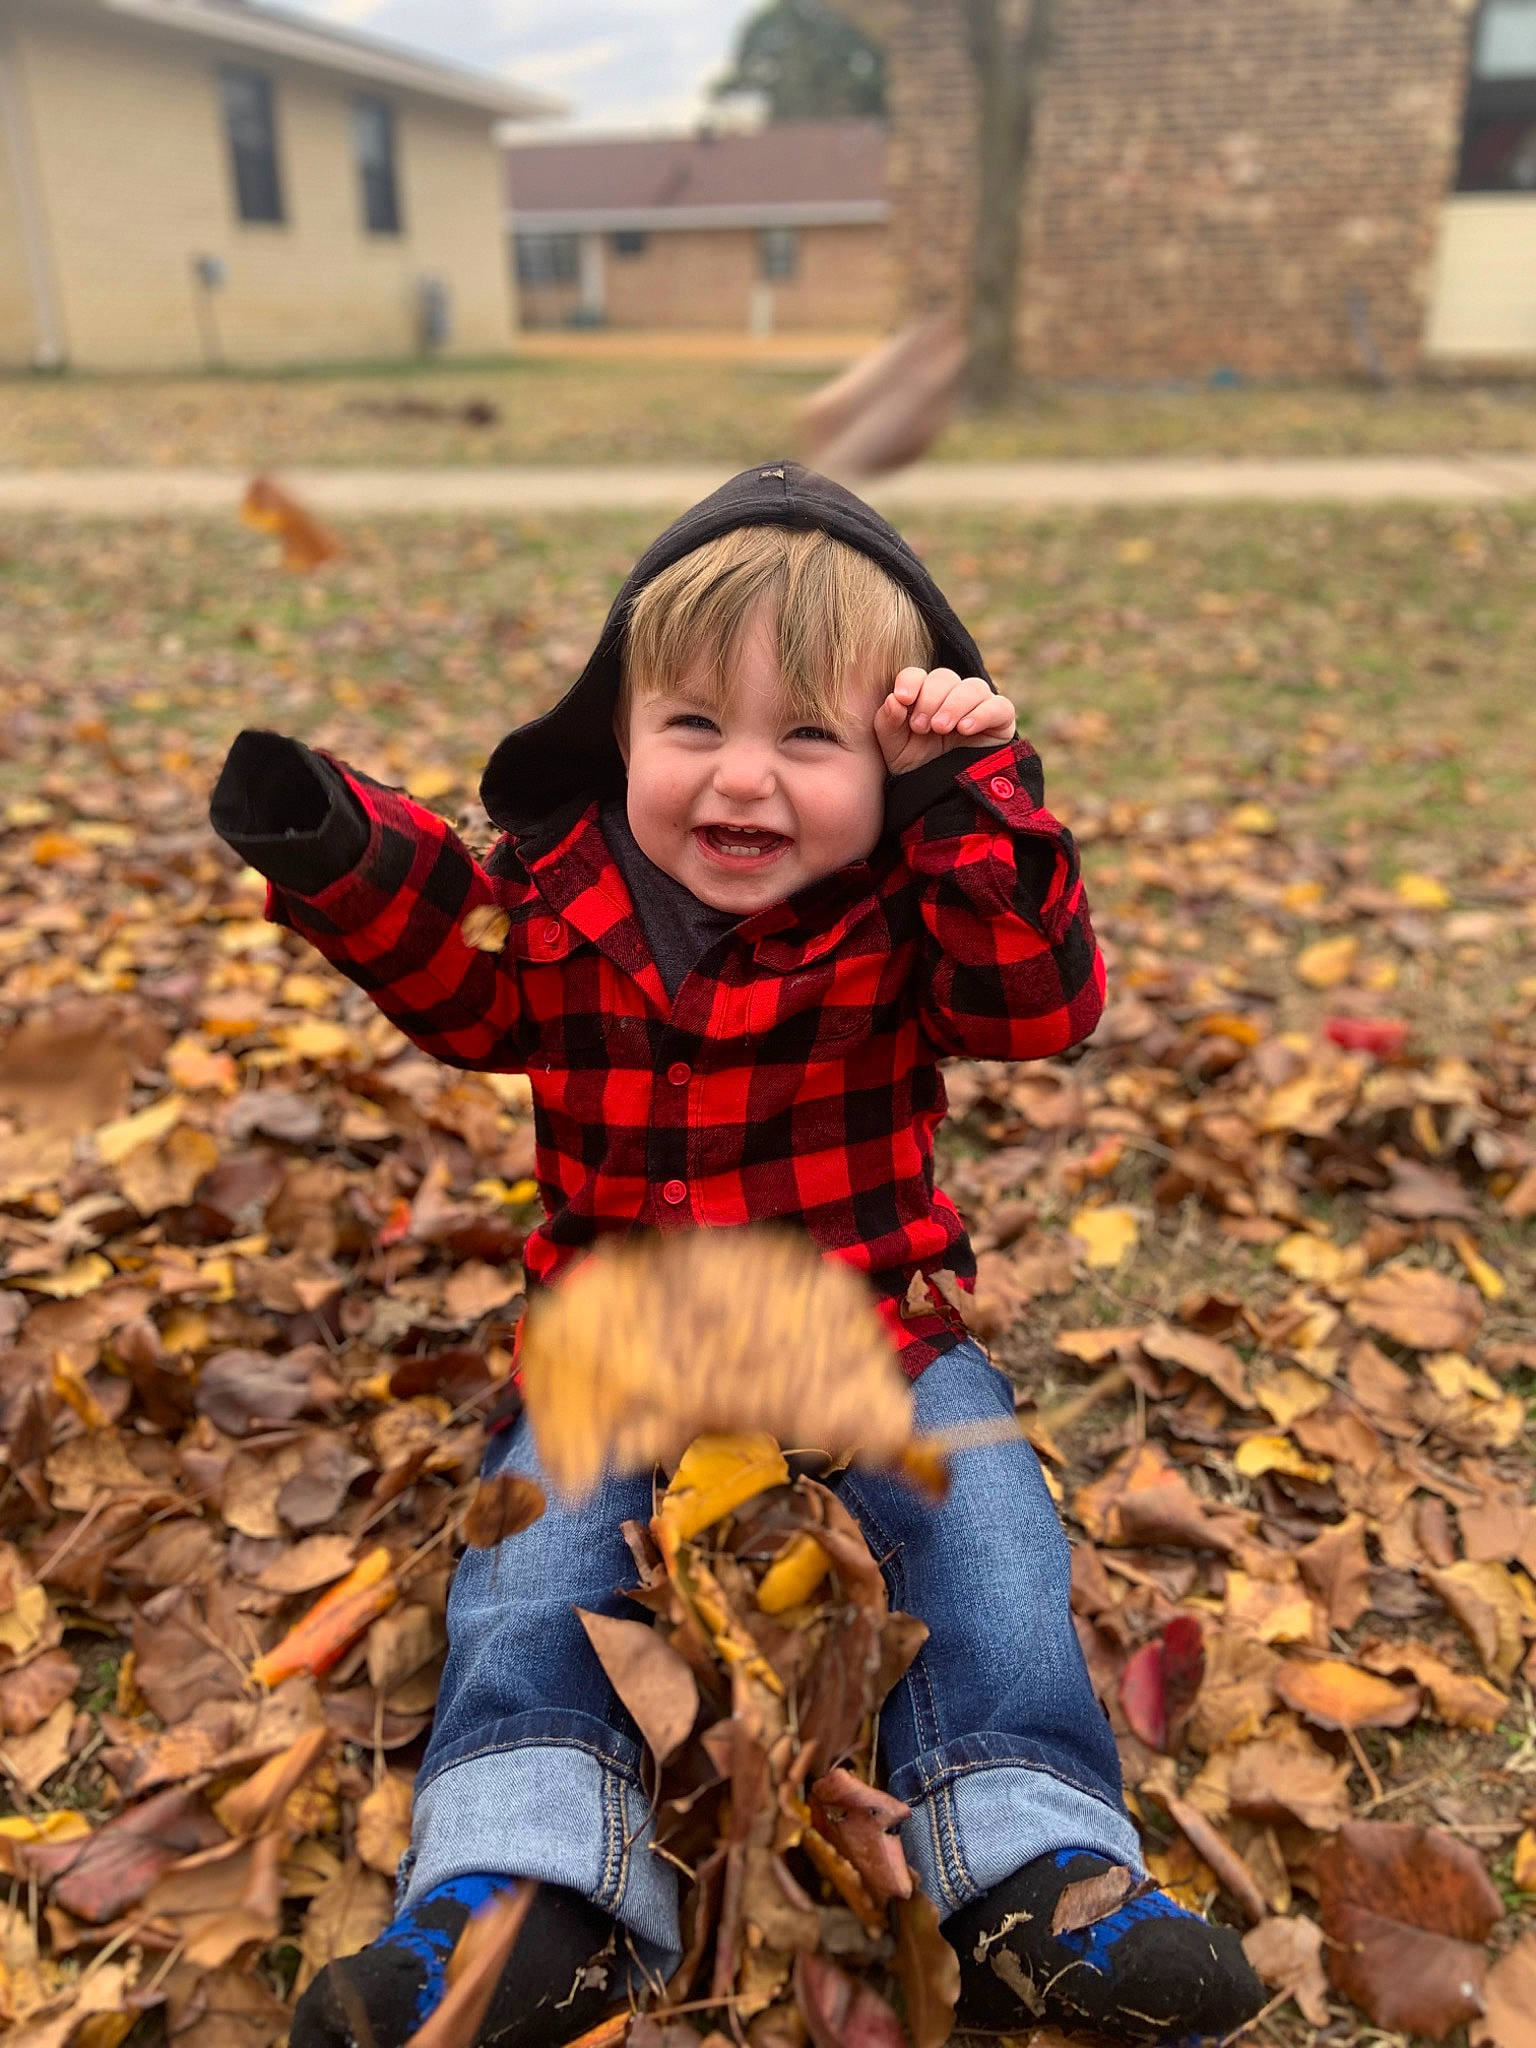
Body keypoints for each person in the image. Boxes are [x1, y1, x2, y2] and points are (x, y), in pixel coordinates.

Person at [210, 463, 1264, 2047]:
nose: (742, 782)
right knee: (537, 1563)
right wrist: (327, 837)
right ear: (619, 736)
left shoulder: (916, 910)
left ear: (886, 770)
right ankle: (529, 1884)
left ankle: (1033, 1864)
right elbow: (456, 972)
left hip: (868, 1325)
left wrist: (967, 800)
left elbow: (1041, 1005)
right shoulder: (559, 906)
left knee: (987, 1539)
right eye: (694, 727)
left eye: (811, 740)